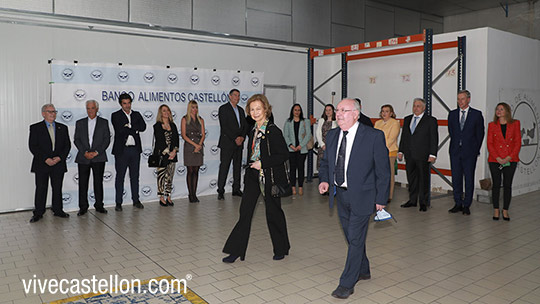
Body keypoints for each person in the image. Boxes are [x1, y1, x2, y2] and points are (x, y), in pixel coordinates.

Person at [318, 98, 389, 299]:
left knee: (356, 238)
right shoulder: (332, 136)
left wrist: (381, 198)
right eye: (338, 110)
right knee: (351, 237)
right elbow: (326, 163)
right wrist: (324, 180)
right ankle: (364, 268)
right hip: (341, 195)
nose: (338, 114)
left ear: (356, 114)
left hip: (364, 196)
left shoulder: (373, 136)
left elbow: (383, 172)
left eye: (344, 110)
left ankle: (347, 283)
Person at [222, 94, 290, 263]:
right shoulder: (252, 130)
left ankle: (281, 247)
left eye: (258, 109)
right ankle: (236, 251)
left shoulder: (273, 131)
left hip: (269, 177)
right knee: (245, 212)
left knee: (274, 213)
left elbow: (283, 155)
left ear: (265, 109)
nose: (255, 112)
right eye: (252, 109)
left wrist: (263, 163)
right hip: (253, 177)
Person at [28, 104, 71, 223]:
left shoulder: (63, 128)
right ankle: (38, 212)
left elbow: (67, 146)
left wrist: (59, 158)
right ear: (43, 113)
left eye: (54, 111)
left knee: (57, 188)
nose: (53, 114)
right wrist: (45, 159)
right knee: (41, 188)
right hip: (42, 163)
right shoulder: (35, 128)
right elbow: (33, 146)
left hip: (58, 163)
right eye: (50, 111)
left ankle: (58, 210)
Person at [447, 90, 485, 215]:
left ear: (468, 99)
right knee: (456, 178)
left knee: (469, 178)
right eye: (458, 99)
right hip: (455, 151)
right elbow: (452, 132)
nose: (460, 102)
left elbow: (480, 134)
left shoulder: (476, 114)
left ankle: (467, 204)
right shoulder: (452, 114)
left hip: (470, 153)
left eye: (462, 99)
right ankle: (457, 202)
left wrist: (475, 149)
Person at [398, 98, 438, 212]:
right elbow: (404, 136)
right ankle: (412, 200)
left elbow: (433, 138)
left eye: (418, 106)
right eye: (414, 106)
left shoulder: (430, 120)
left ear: (424, 108)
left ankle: (423, 202)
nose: (416, 108)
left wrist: (433, 154)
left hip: (423, 155)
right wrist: (401, 151)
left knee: (423, 179)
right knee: (411, 178)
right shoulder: (407, 119)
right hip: (409, 154)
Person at [74, 100, 111, 216]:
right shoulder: (79, 123)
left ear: (97, 109)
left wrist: (96, 152)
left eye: (92, 108)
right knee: (83, 183)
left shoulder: (104, 122)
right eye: (88, 108)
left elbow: (106, 140)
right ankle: (83, 207)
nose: (90, 110)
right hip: (83, 157)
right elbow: (77, 139)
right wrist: (85, 152)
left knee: (98, 183)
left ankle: (99, 205)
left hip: (98, 157)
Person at [111, 93, 146, 211]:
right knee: (120, 177)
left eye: (129, 103)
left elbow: (143, 127)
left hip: (135, 150)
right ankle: (118, 202)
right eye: (124, 103)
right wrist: (133, 129)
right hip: (122, 151)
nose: (127, 106)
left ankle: (136, 200)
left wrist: (129, 127)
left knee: (135, 176)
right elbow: (120, 130)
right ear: (121, 104)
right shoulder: (115, 115)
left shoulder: (136, 114)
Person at [487, 102, 521, 221]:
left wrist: (509, 158)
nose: (499, 111)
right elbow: (489, 144)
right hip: (495, 160)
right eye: (497, 109)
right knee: (496, 185)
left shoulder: (515, 123)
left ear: (507, 111)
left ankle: (505, 210)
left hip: (510, 160)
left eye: (501, 109)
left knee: (507, 185)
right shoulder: (492, 125)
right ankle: (496, 209)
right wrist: (498, 158)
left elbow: (517, 143)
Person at [217, 89, 247, 200]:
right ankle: (220, 190)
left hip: (239, 144)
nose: (237, 97)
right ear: (229, 96)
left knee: (237, 167)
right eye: (235, 95)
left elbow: (244, 126)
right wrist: (235, 138)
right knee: (224, 167)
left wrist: (242, 137)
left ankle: (236, 189)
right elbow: (224, 126)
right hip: (227, 143)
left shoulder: (241, 110)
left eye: (238, 95)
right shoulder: (223, 109)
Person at [153, 104, 180, 207]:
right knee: (161, 176)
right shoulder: (157, 126)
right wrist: (168, 152)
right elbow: (159, 141)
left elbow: (176, 140)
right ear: (161, 113)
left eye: (168, 110)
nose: (166, 112)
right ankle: (161, 197)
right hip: (162, 154)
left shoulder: (173, 125)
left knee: (170, 177)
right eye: (164, 111)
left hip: (173, 155)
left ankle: (168, 196)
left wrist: (174, 151)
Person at [283, 104, 312, 195]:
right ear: (292, 111)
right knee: (292, 169)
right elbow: (285, 135)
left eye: (298, 110)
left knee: (301, 168)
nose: (297, 112)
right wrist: (291, 145)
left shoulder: (305, 121)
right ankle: (292, 187)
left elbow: (308, 135)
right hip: (291, 149)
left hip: (302, 149)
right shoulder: (288, 122)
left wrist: (300, 146)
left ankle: (300, 186)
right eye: (295, 110)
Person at [374, 104, 401, 202]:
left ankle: (389, 195)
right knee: (377, 174)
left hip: (390, 152)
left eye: (386, 111)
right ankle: (378, 193)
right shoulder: (377, 123)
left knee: (389, 174)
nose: (384, 113)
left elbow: (391, 139)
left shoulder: (395, 123)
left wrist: (381, 148)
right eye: (382, 111)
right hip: (377, 152)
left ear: (391, 113)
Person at [181, 100, 205, 203]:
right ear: (189, 108)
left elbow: (203, 134)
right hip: (189, 146)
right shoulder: (185, 119)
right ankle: (190, 194)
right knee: (190, 171)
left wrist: (199, 145)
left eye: (196, 107)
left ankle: (194, 194)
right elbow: (183, 135)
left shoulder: (200, 119)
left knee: (196, 171)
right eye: (193, 107)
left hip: (198, 146)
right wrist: (195, 145)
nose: (195, 110)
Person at [315, 104, 337, 171]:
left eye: (329, 110)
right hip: (322, 147)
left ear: (333, 111)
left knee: (331, 166)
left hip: (332, 147)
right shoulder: (321, 120)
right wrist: (322, 145)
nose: (328, 112)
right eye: (326, 110)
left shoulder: (336, 122)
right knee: (321, 166)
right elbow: (318, 133)